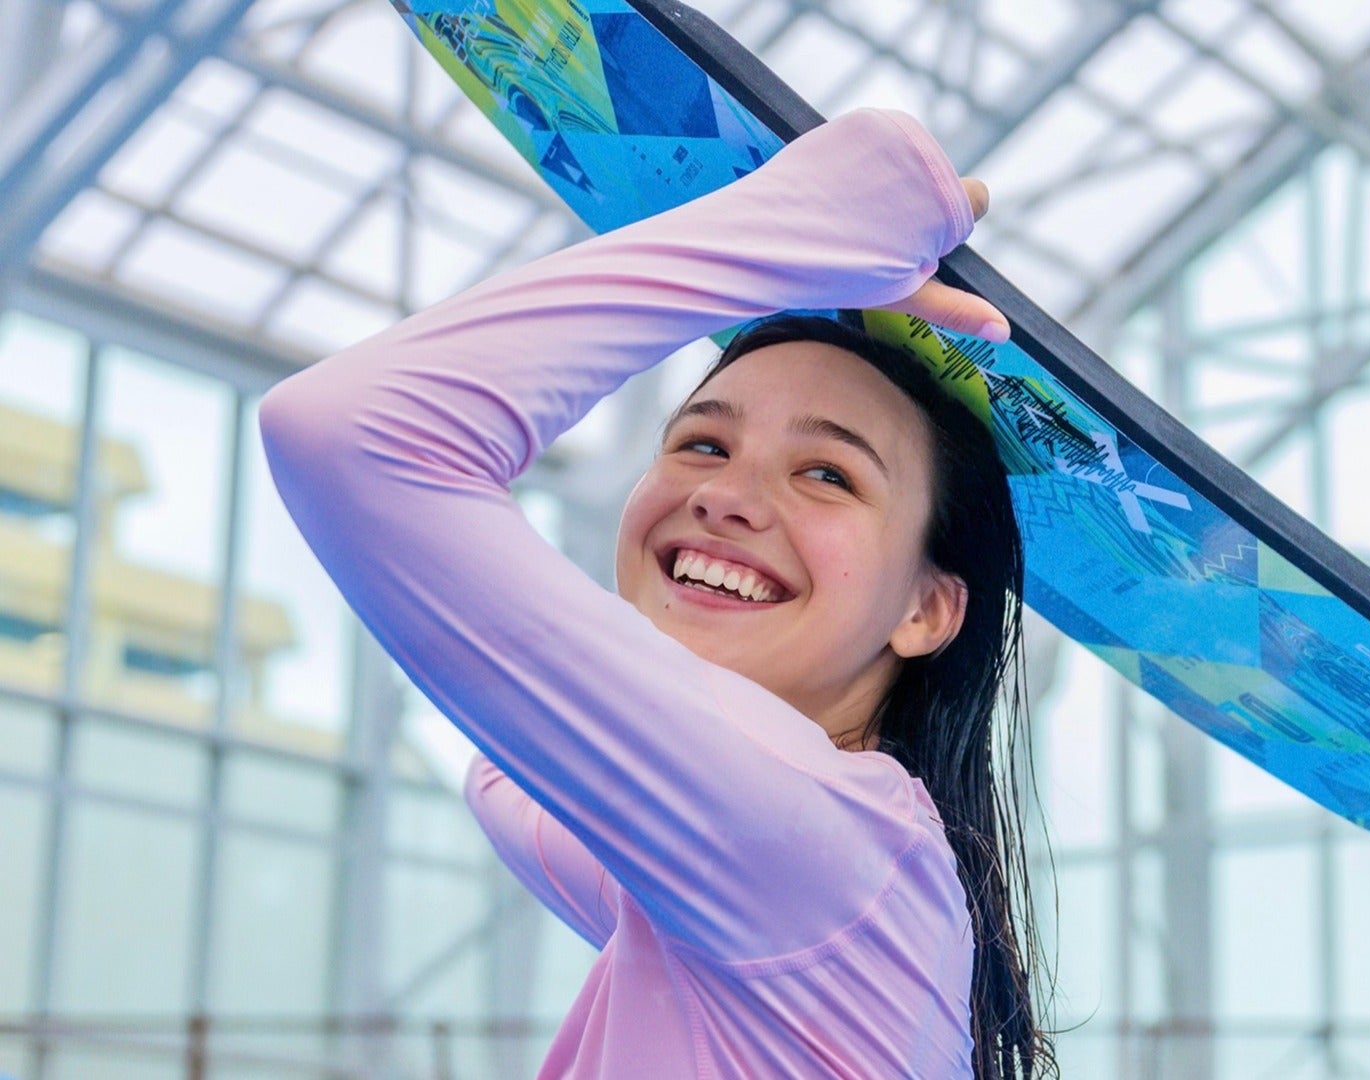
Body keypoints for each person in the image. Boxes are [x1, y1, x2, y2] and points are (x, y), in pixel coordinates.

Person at [258, 108, 1056, 1078]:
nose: (725, 497)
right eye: (703, 445)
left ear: (927, 609)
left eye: (828, 475)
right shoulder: (781, 876)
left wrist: (786, 232)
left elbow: (351, 433)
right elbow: (511, 770)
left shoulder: (814, 843)